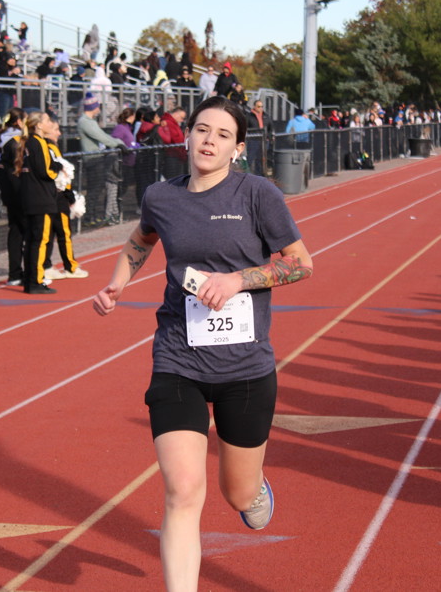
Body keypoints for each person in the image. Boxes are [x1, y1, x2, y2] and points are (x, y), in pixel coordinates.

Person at [92, 96, 313, 590]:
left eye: (223, 135)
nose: (210, 141)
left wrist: (238, 280)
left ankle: (253, 491)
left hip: (245, 367)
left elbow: (301, 263)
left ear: (238, 148)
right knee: (182, 490)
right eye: (202, 130)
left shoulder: (257, 194)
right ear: (187, 135)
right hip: (177, 359)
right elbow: (142, 239)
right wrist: (116, 284)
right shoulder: (161, 197)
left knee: (237, 494)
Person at [19, 111, 64, 294]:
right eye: (46, 121)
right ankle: (36, 280)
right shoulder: (38, 142)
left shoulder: (28, 142)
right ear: (38, 125)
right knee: (40, 241)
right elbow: (46, 171)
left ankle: (30, 279)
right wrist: (58, 166)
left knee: (32, 241)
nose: (49, 123)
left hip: (31, 197)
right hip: (41, 198)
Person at [42, 117, 89, 282]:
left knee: (50, 233)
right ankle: (70, 266)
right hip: (57, 196)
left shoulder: (48, 148)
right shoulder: (49, 148)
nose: (59, 133)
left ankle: (46, 265)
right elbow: (60, 176)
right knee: (63, 233)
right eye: (55, 129)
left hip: (53, 195)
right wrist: (69, 195)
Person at [77, 95, 126, 226]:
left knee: (97, 189)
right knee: (94, 189)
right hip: (93, 159)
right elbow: (100, 136)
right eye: (97, 106)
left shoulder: (90, 121)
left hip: (97, 158)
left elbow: (103, 135)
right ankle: (89, 218)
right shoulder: (85, 121)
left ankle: (92, 215)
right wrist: (117, 144)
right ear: (92, 107)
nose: (99, 108)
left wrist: (118, 142)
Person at [0, 108, 27, 287]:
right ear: (19, 122)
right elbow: (16, 171)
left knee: (15, 231)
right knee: (28, 232)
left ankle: (14, 273)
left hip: (8, 192)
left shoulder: (2, 139)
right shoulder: (15, 142)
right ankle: (31, 273)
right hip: (18, 192)